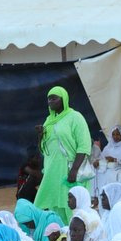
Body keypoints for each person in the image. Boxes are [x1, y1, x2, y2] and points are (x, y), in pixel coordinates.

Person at [35, 87, 92, 222]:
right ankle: (62, 236)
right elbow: (44, 149)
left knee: (71, 205)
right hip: (52, 170)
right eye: (49, 99)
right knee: (53, 205)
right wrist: (40, 135)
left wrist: (74, 170)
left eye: (54, 98)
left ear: (64, 99)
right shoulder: (48, 121)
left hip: (68, 169)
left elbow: (84, 145)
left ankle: (77, 236)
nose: (50, 101)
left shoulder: (75, 117)